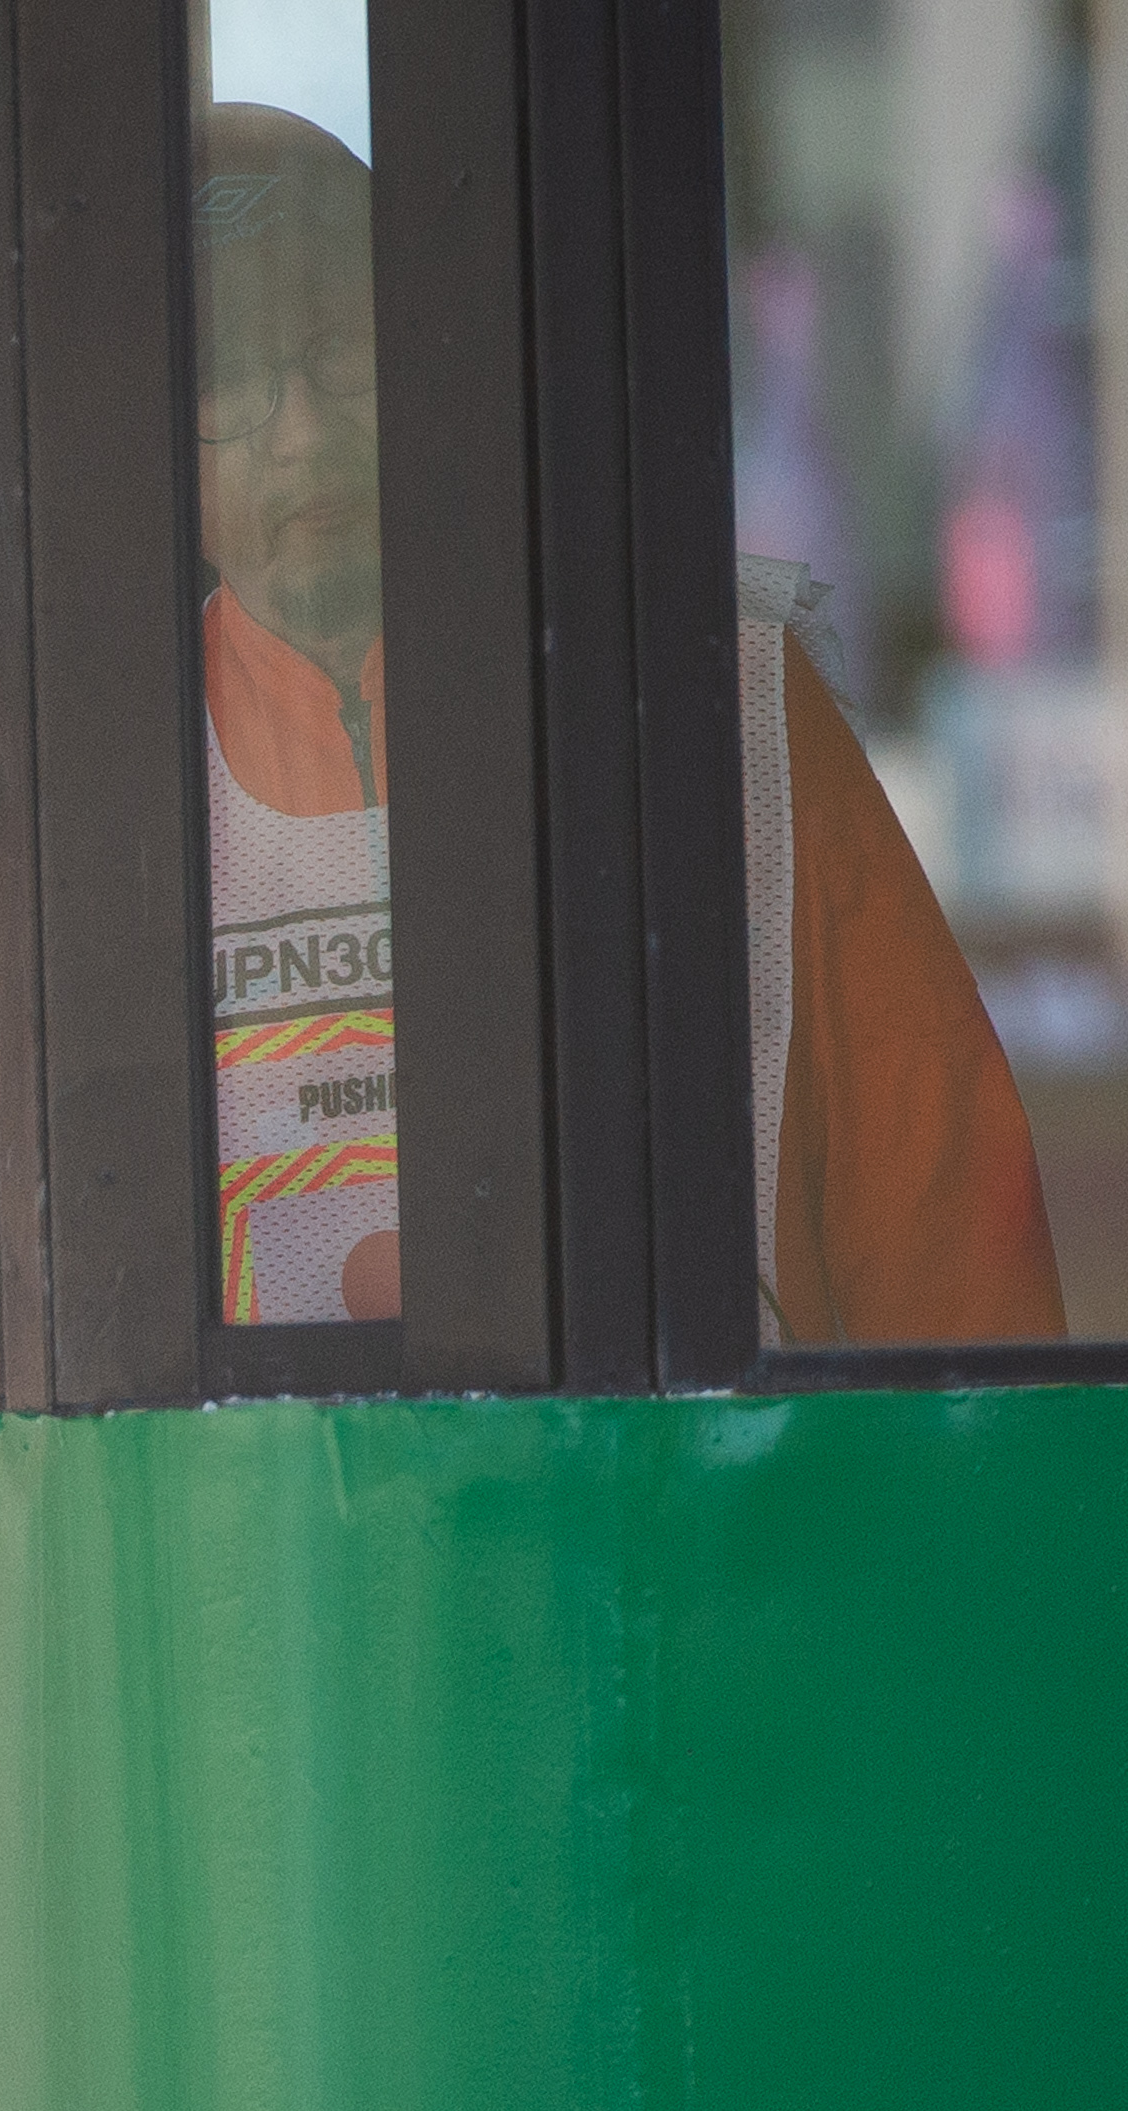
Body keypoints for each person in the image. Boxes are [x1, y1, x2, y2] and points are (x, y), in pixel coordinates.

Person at [193, 103, 1056, 1342]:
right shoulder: (115, 790)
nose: (304, 433)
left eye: (342, 350)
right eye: (230, 379)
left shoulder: (720, 697)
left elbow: (959, 1247)